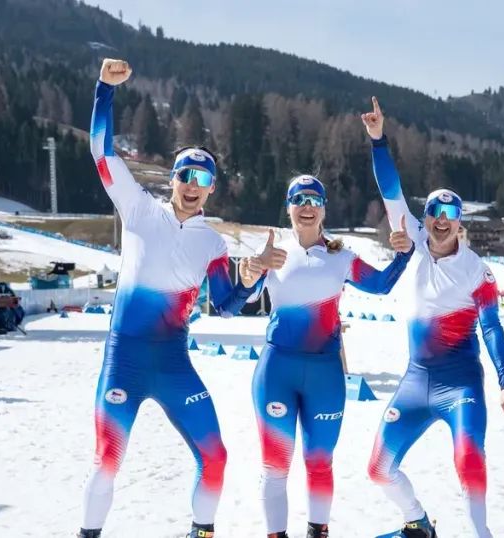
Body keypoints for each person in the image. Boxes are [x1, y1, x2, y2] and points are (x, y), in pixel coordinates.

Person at [80, 59, 255, 538]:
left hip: (175, 364)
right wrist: (104, 90)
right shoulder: (138, 208)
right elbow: (100, 150)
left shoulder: (213, 243)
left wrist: (251, 278)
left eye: (203, 179)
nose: (193, 187)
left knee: (215, 456)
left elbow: (227, 305)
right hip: (125, 361)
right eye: (186, 176)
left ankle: (202, 532)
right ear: (172, 179)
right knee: (107, 460)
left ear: (212, 188)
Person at [361, 96, 504, 538]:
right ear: (426, 217)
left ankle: (480, 534)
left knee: (468, 461)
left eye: (451, 213)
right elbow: (390, 189)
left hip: (461, 383)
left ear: (459, 221)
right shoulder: (412, 241)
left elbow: (491, 327)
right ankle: (418, 523)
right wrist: (378, 140)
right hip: (416, 381)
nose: (441, 220)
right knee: (378, 468)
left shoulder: (476, 269)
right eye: (435, 211)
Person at [239, 175, 414, 538]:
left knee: (319, 463)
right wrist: (249, 268)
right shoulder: (274, 254)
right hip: (277, 371)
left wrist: (405, 253)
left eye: (314, 200)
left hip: (325, 375)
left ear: (323, 209)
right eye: (299, 199)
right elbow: (242, 298)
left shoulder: (341, 258)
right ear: (288, 207)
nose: (307, 207)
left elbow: (381, 284)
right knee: (275, 466)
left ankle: (317, 533)